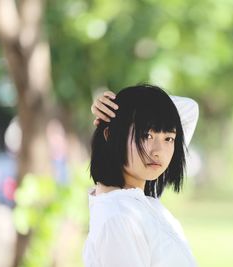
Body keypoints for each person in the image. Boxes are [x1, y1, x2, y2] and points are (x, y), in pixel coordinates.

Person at [83, 84, 199, 267]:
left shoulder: (135, 204)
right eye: (147, 135)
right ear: (110, 135)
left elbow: (190, 109)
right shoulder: (119, 217)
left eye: (168, 138)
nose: (158, 151)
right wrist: (119, 111)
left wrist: (120, 108)